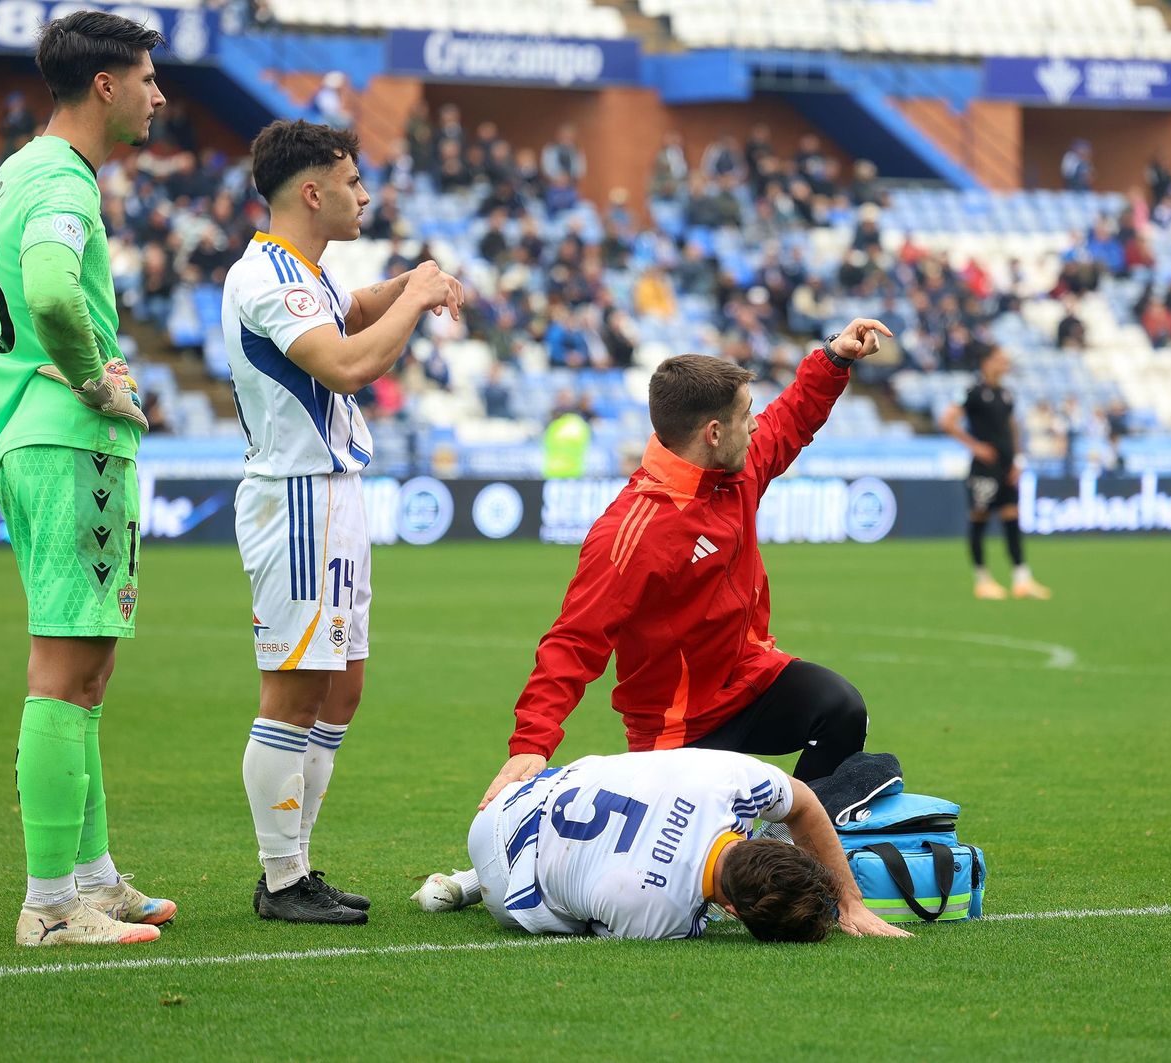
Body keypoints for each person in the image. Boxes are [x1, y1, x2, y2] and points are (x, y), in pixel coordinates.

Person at [479, 320, 894, 811]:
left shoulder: (732, 471)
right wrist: (532, 743)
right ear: (714, 433)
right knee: (698, 876)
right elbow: (574, 642)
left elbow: (789, 422)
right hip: (675, 727)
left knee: (841, 710)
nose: (756, 425)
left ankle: (790, 851)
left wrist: (834, 360)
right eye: (746, 416)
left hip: (748, 681)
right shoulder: (632, 531)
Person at [222, 119, 464, 924]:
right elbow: (350, 362)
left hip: (333, 493)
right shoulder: (269, 277)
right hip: (296, 496)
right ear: (313, 191)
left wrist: (405, 283)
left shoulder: (305, 272)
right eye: (354, 181)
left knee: (342, 687)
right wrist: (423, 296)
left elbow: (350, 309)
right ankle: (281, 877)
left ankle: (298, 864)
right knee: (292, 692)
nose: (367, 194)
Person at [0, 11, 171, 947]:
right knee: (64, 671)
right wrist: (97, 379)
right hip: (69, 441)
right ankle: (51, 905)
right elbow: (51, 291)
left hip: (25, 436)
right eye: (145, 78)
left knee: (85, 668)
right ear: (105, 86)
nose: (158, 94)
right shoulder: (60, 178)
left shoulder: (11, 174)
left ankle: (91, 878)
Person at [426, 749, 907, 942]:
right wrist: (854, 903)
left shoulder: (732, 780)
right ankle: (475, 884)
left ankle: (466, 880)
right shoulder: (663, 915)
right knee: (569, 913)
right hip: (506, 874)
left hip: (519, 795)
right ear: (733, 913)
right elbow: (600, 917)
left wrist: (846, 901)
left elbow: (801, 803)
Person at [940, 348, 1051, 601]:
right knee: (979, 518)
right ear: (987, 362)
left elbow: (1013, 427)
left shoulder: (1007, 393)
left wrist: (1018, 460)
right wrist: (976, 447)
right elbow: (947, 421)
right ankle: (982, 579)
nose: (1006, 364)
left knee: (1012, 518)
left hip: (1007, 467)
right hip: (984, 469)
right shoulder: (972, 392)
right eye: (1001, 360)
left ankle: (1022, 579)